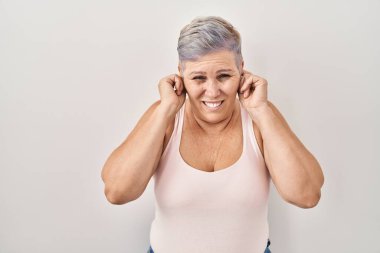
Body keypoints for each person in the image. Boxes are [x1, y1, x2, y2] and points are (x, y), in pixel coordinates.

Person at [101, 16, 324, 253]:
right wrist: (166, 108)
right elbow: (116, 192)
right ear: (180, 74)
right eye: (198, 78)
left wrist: (261, 110)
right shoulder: (165, 118)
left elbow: (307, 195)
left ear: (241, 70)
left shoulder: (260, 117)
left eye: (224, 76)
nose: (213, 91)